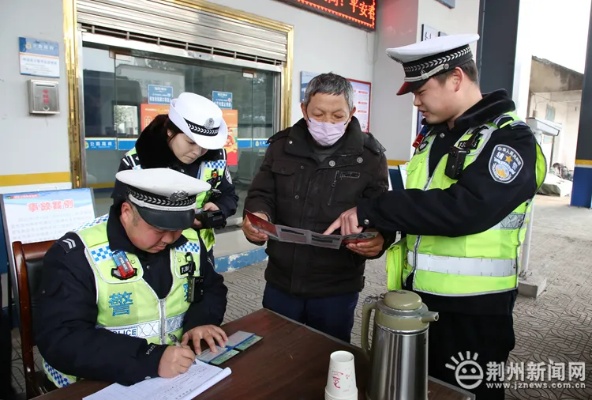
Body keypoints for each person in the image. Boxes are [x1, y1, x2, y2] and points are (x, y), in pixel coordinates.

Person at [325, 34, 547, 399]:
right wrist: (384, 234)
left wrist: (374, 209)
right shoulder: (433, 138)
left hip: (474, 313)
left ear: (456, 79)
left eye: (421, 89)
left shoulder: (510, 142)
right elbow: (421, 214)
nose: (415, 101)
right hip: (416, 303)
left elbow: (464, 210)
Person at [35, 168, 229, 388]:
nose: (169, 238)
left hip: (177, 376)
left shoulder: (189, 241)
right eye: (159, 228)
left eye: (178, 228)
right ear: (127, 212)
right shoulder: (78, 253)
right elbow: (62, 336)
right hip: (93, 383)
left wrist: (201, 322)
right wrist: (149, 358)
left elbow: (212, 289)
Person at [242, 73, 392, 343]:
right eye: (319, 114)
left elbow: (380, 210)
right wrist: (258, 216)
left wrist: (379, 238)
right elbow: (262, 193)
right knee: (274, 352)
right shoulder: (280, 146)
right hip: (282, 278)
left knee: (327, 357)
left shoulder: (370, 156)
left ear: (352, 113)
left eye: (337, 116)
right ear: (304, 110)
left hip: (336, 285)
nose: (327, 123)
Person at [113, 92, 238, 231]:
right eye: (190, 142)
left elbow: (229, 196)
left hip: (199, 250)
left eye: (205, 146)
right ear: (170, 131)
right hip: (156, 248)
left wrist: (220, 209)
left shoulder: (216, 158)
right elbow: (121, 212)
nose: (197, 152)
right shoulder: (136, 164)